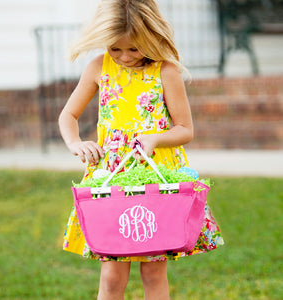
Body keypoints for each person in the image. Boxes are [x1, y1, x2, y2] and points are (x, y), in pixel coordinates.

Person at [59, 1, 224, 299]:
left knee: (152, 270)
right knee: (111, 274)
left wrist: (155, 138)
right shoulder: (99, 67)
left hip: (156, 181)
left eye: (134, 49)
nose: (124, 57)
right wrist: (76, 143)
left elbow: (185, 129)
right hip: (112, 178)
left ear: (151, 37)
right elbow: (67, 116)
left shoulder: (166, 71)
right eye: (115, 48)